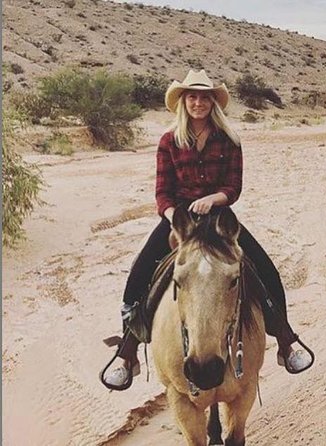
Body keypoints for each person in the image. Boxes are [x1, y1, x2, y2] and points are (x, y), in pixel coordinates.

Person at [102, 69, 313, 389]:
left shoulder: (229, 139)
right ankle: (127, 352)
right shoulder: (168, 141)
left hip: (219, 219)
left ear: (213, 102)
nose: (198, 102)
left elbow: (234, 186)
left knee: (265, 271)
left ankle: (285, 339)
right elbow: (162, 192)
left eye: (203, 97)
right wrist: (173, 215)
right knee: (140, 274)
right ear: (183, 102)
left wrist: (215, 198)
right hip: (179, 219)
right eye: (192, 97)